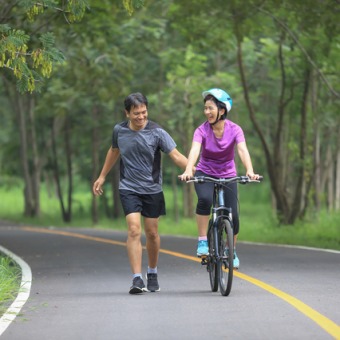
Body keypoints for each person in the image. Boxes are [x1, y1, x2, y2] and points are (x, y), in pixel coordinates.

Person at [92, 92, 189, 294]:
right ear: (127, 113)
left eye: (144, 112)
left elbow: (177, 156)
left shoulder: (157, 132)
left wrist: (195, 170)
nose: (141, 117)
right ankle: (137, 279)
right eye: (136, 113)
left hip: (152, 188)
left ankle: (152, 272)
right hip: (128, 187)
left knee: (152, 233)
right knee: (134, 230)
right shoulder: (119, 130)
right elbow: (113, 151)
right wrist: (102, 176)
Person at [179, 88, 260, 269]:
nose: (207, 112)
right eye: (205, 108)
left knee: (235, 216)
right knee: (205, 199)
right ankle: (202, 241)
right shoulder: (201, 130)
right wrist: (188, 170)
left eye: (211, 108)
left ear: (221, 110)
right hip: (205, 172)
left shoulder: (235, 129)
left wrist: (250, 170)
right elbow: (194, 150)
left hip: (228, 174)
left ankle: (232, 250)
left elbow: (242, 150)